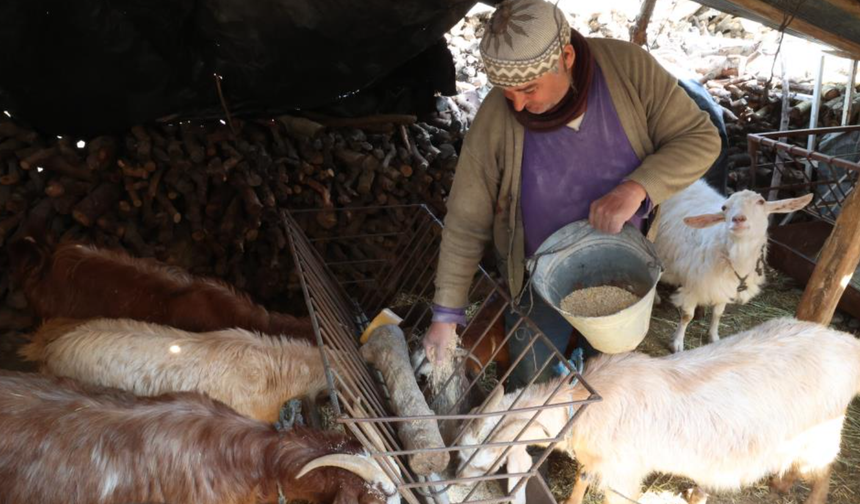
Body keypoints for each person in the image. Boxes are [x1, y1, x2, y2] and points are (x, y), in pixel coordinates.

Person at [423, 0, 721, 389]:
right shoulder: (498, 116)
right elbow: (465, 219)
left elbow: (700, 138)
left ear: (565, 56)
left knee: (612, 384)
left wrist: (636, 188)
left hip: (623, 273)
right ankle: (533, 447)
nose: (517, 104)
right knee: (529, 383)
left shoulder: (629, 71)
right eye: (506, 91)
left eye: (528, 88)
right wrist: (446, 316)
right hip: (537, 275)